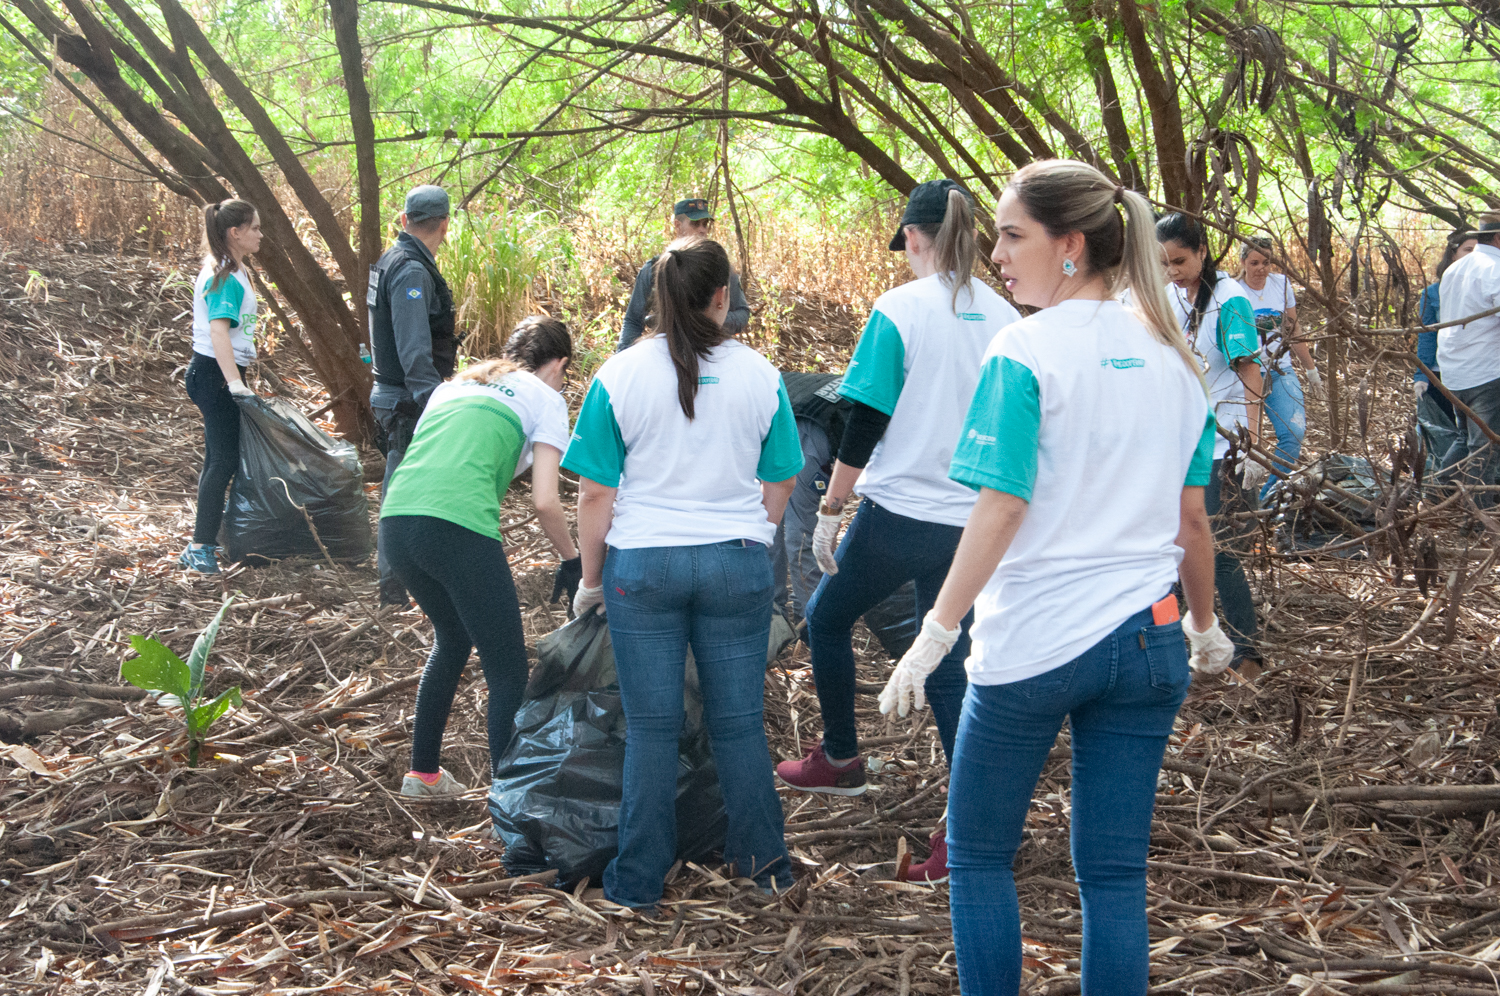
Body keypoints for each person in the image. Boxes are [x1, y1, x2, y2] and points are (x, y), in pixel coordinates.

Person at [880, 159, 1232, 996]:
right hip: (1149, 643)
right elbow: (1192, 522)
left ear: (1070, 245)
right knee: (1113, 877)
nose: (996, 254)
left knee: (976, 858)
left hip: (1036, 643)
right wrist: (1204, 627)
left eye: (1012, 236)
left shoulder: (1025, 350)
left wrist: (935, 633)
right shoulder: (1176, 360)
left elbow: (1000, 508)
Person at [775, 179, 1022, 884]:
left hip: (902, 510)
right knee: (947, 660)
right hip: (972, 520)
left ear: (914, 237)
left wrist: (831, 508)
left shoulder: (898, 309)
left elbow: (865, 416)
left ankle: (841, 757)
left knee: (825, 618)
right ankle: (970, 826)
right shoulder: (1005, 314)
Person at [564, 237, 802, 909]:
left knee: (652, 729)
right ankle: (767, 870)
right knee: (738, 725)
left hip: (644, 568)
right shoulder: (761, 375)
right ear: (723, 296)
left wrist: (590, 580)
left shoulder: (621, 375)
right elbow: (782, 474)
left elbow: (593, 493)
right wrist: (756, 533)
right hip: (735, 563)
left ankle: (638, 882)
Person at [379, 317, 577, 797]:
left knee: (452, 638)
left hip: (396, 519)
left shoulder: (456, 385)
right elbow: (546, 500)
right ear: (561, 365)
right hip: (456, 526)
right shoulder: (547, 398)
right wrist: (573, 559)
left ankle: (422, 774)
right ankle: (508, 801)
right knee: (506, 665)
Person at [1156, 213, 1263, 666]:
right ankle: (1178, 644)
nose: (1173, 272)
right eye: (1164, 264)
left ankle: (1247, 653)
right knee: (1171, 546)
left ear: (1202, 251)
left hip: (1222, 442)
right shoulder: (1167, 295)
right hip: (1175, 440)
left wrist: (1253, 443)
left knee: (1222, 551)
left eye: (1180, 261)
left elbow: (1250, 369)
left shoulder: (1230, 300)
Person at [775, 371, 917, 652]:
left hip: (814, 419)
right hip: (792, 426)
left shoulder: (896, 413)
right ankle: (790, 621)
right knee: (790, 528)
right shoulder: (820, 440)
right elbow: (803, 541)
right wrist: (818, 620)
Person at [368, 185, 460, 605]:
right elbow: (413, 349)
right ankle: (393, 585)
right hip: (407, 399)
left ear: (404, 220)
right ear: (444, 224)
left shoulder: (393, 258)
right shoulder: (411, 271)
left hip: (394, 393)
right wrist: (435, 403)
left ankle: (409, 576)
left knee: (406, 485)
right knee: (401, 489)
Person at [180, 199, 263, 575]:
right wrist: (235, 384)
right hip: (215, 374)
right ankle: (201, 546)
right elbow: (217, 331)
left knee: (220, 458)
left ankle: (206, 539)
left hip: (221, 373)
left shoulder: (237, 270)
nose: (261, 235)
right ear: (235, 232)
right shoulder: (224, 274)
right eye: (255, 228)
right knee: (223, 460)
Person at [1235, 237, 1325, 499]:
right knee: (1248, 440)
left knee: (1294, 433)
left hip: (1278, 367)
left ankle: (1267, 496)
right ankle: (1242, 504)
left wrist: (1310, 370)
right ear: (1243, 262)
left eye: (1267, 262)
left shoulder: (1282, 284)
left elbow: (1292, 327)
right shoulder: (1233, 289)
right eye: (1254, 262)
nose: (1261, 268)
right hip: (1244, 370)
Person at [617, 198, 750, 351]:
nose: (702, 230)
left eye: (705, 224)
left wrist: (708, 321)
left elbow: (742, 314)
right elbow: (633, 319)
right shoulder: (654, 269)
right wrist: (622, 357)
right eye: (695, 223)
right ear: (677, 226)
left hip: (713, 353)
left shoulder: (719, 267)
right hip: (668, 354)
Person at [1438, 212, 1500, 507]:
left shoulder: (1456, 267)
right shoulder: (1496, 269)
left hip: (1454, 369)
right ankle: (1476, 518)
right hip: (1486, 370)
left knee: (1465, 439)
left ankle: (1435, 493)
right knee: (1484, 448)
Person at [1417, 234, 1478, 450]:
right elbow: (1427, 335)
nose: (1474, 256)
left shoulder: (1486, 286)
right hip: (1443, 374)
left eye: (1478, 250)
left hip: (1481, 372)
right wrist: (1422, 375)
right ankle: (1447, 480)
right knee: (1450, 437)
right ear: (1453, 254)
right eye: (1468, 249)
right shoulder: (1433, 293)